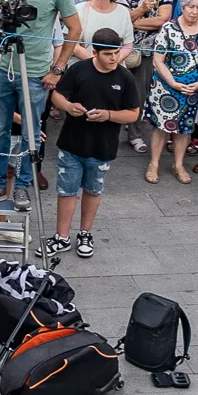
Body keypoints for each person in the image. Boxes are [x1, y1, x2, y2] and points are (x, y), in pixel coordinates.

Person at [49, 28, 144, 256]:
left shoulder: (125, 77)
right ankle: (61, 236)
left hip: (103, 147)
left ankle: (85, 233)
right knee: (67, 191)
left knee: (93, 191)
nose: (114, 59)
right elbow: (57, 95)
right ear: (95, 52)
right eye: (108, 54)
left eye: (116, 53)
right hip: (72, 143)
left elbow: (133, 113)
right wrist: (69, 107)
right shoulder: (78, 69)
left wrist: (109, 115)